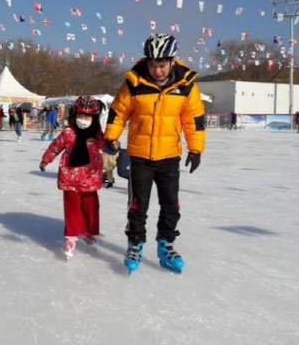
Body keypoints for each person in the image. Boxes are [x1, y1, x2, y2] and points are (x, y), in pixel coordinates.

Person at [104, 33, 205, 274]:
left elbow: (194, 120)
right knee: (138, 206)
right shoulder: (134, 83)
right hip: (140, 157)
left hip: (169, 157)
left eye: (161, 65)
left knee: (171, 205)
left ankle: (166, 244)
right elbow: (118, 112)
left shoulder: (185, 86)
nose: (157, 70)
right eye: (152, 65)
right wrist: (111, 136)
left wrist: (196, 148)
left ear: (172, 61)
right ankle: (135, 244)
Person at [39, 96, 105, 259]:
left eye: (87, 116)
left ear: (94, 117)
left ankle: (87, 231)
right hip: (70, 178)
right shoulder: (68, 132)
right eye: (81, 116)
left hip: (90, 178)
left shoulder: (97, 135)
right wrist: (46, 160)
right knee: (73, 207)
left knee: (90, 207)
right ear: (74, 115)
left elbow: (107, 147)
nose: (83, 120)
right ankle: (71, 236)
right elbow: (55, 146)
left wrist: (113, 146)